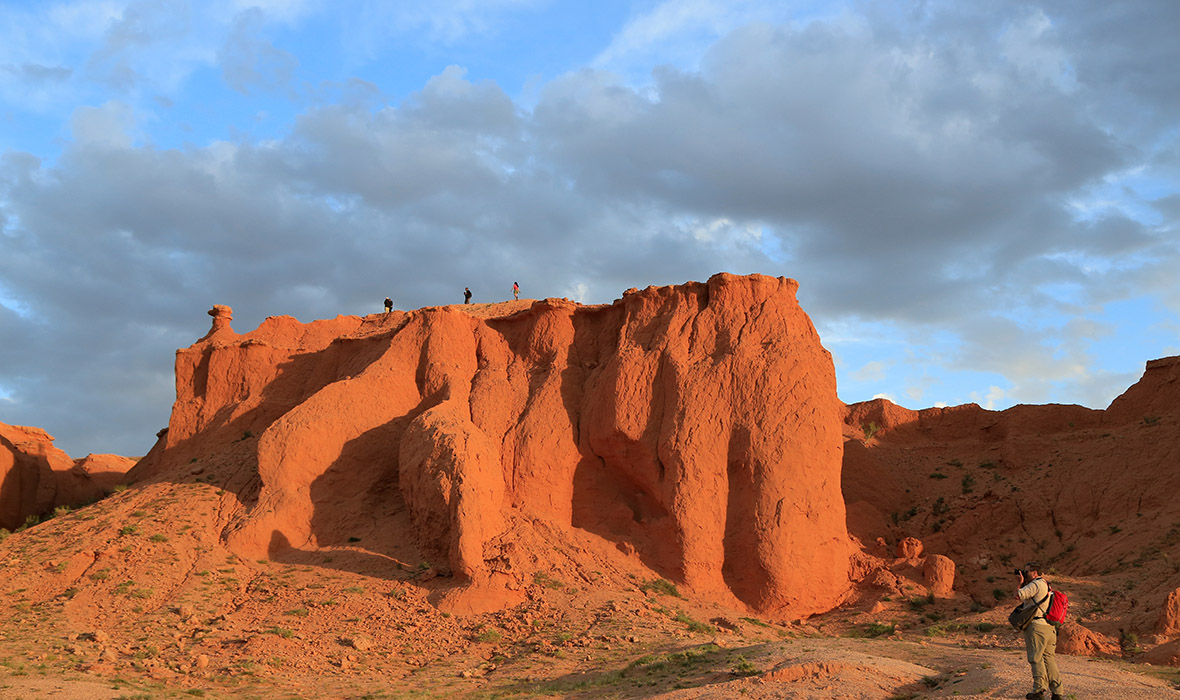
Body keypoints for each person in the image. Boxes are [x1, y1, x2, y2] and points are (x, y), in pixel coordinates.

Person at [1015, 562, 1063, 700]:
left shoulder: (1035, 584)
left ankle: (1039, 690)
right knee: (1049, 659)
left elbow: (1018, 595)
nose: (1025, 574)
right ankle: (1057, 692)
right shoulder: (1046, 584)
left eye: (1027, 571)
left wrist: (1020, 583)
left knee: (1035, 658)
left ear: (1035, 572)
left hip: (1037, 627)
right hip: (1049, 627)